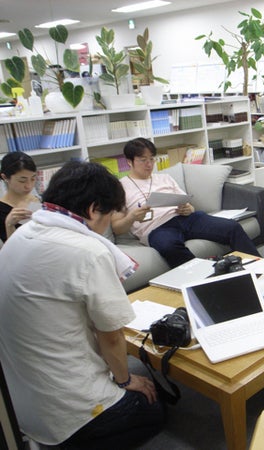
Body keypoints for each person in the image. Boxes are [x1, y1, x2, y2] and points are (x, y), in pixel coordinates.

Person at [0, 161, 165, 449]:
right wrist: (125, 381)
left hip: (16, 405)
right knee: (153, 406)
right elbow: (111, 336)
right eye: (109, 214)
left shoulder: (19, 235)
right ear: (93, 209)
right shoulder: (88, 251)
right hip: (70, 411)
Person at [111, 137, 259, 268]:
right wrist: (132, 217)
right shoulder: (120, 187)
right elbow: (117, 228)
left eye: (151, 159)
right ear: (129, 161)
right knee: (168, 247)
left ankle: (261, 268)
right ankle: (204, 279)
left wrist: (188, 209)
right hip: (157, 229)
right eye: (143, 160)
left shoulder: (164, 178)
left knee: (232, 227)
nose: (149, 164)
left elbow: (187, 203)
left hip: (186, 219)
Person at [0, 151, 40, 242]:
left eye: (33, 178)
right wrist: (9, 225)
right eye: (22, 181)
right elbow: (9, 249)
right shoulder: (2, 210)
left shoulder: (38, 200)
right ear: (5, 177)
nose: (29, 186)